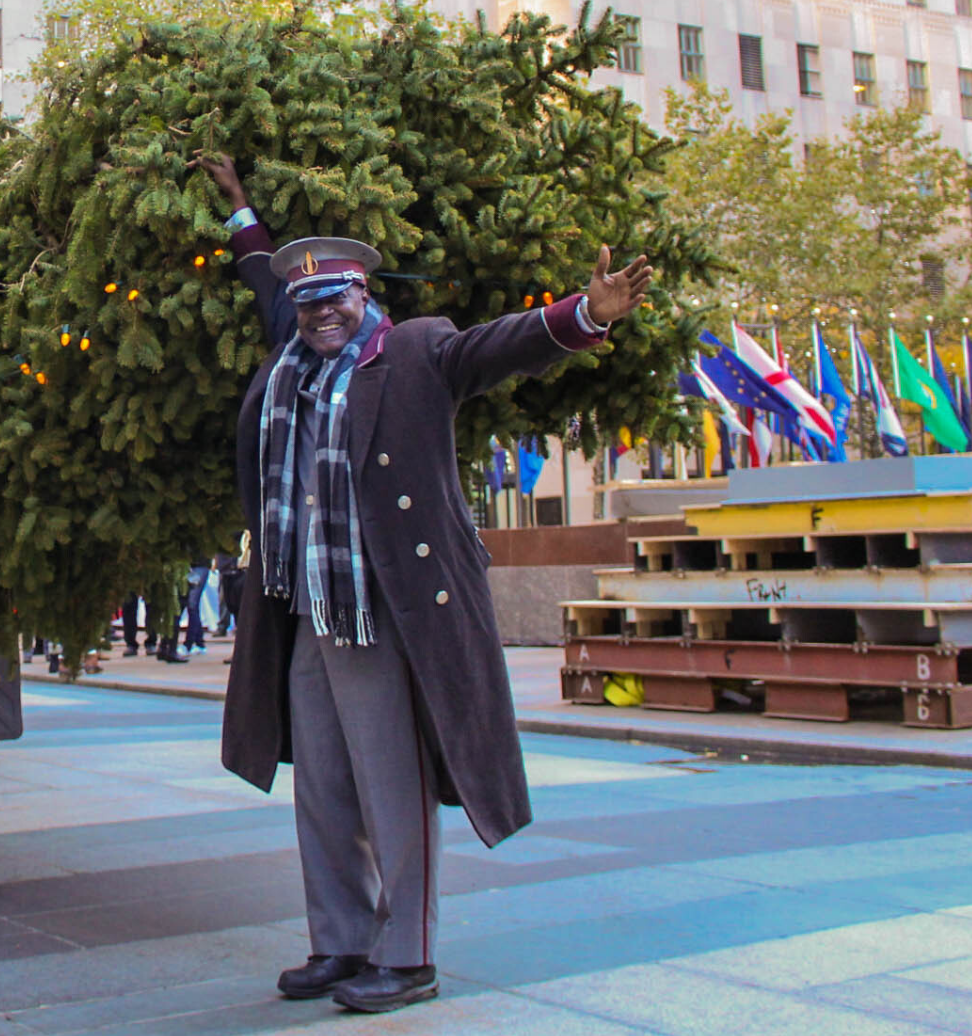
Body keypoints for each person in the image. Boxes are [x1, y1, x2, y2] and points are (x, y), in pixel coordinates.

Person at [194, 150, 652, 1014]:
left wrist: (588, 313)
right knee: (322, 782)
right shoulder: (292, 355)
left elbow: (499, 347)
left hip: (382, 609)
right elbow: (262, 275)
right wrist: (239, 205)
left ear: (364, 293)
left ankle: (405, 957)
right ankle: (339, 940)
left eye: (335, 298)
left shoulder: (414, 351)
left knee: (389, 782)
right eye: (307, 302)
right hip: (305, 609)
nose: (321, 313)